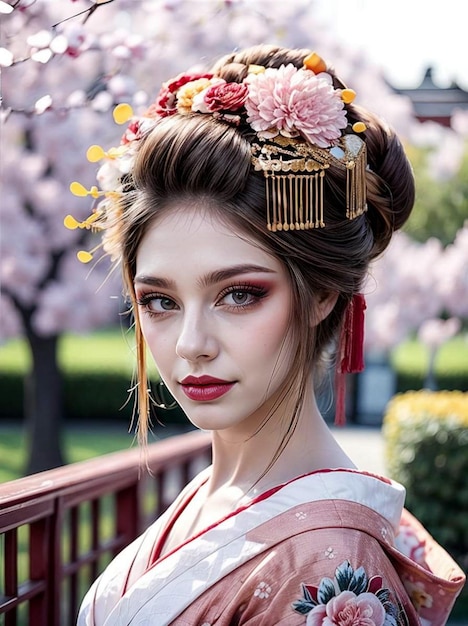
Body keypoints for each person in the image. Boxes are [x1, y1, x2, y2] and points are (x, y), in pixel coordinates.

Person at [70, 45, 465, 625]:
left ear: (322, 294)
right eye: (160, 301)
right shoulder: (219, 492)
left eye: (239, 295)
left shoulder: (327, 565)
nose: (190, 343)